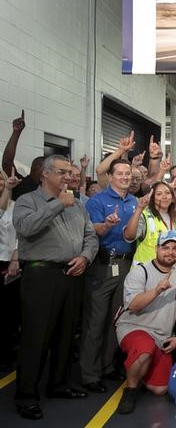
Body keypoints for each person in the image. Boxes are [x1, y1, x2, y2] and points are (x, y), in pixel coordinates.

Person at [13, 155, 99, 420]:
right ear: (45, 174)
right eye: (62, 172)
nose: (68, 177)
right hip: (41, 275)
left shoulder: (76, 204)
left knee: (65, 335)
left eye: (70, 172)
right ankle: (26, 395)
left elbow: (90, 236)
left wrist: (85, 257)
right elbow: (25, 228)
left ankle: (58, 384)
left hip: (72, 274)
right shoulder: (28, 201)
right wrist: (56, 205)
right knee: (36, 337)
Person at [115, 230, 176, 414]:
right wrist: (157, 290)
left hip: (161, 334)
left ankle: (135, 365)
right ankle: (130, 390)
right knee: (144, 350)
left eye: (175, 248)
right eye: (165, 247)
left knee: (160, 390)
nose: (170, 252)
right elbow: (133, 305)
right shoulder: (140, 272)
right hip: (134, 327)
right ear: (156, 249)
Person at [80, 158, 138, 394]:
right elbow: (89, 229)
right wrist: (105, 225)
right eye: (120, 173)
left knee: (116, 319)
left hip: (125, 266)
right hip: (102, 265)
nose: (125, 177)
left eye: (128, 174)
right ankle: (89, 374)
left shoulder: (134, 202)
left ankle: (106, 366)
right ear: (111, 177)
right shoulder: (98, 201)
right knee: (95, 321)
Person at [124, 181, 176, 265]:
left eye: (167, 193)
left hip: (169, 273)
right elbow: (128, 236)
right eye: (159, 194)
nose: (164, 197)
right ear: (152, 197)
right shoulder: (145, 216)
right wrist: (139, 209)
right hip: (145, 273)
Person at [0, 168, 20, 370]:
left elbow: (20, 234)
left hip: (10, 264)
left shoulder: (16, 206)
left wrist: (15, 258)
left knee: (9, 312)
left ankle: (8, 353)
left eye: (1, 178)